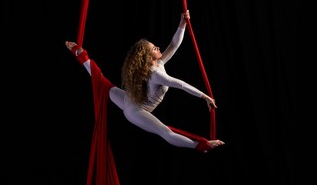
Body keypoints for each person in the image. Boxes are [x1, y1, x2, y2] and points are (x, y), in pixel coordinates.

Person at [65, 10, 224, 152]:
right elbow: (180, 84)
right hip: (134, 111)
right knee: (164, 131)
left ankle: (80, 55)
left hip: (129, 99)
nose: (158, 48)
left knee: (104, 84)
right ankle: (201, 145)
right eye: (154, 48)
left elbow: (174, 45)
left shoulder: (159, 63)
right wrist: (205, 97)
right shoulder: (155, 73)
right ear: (148, 57)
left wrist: (182, 24)